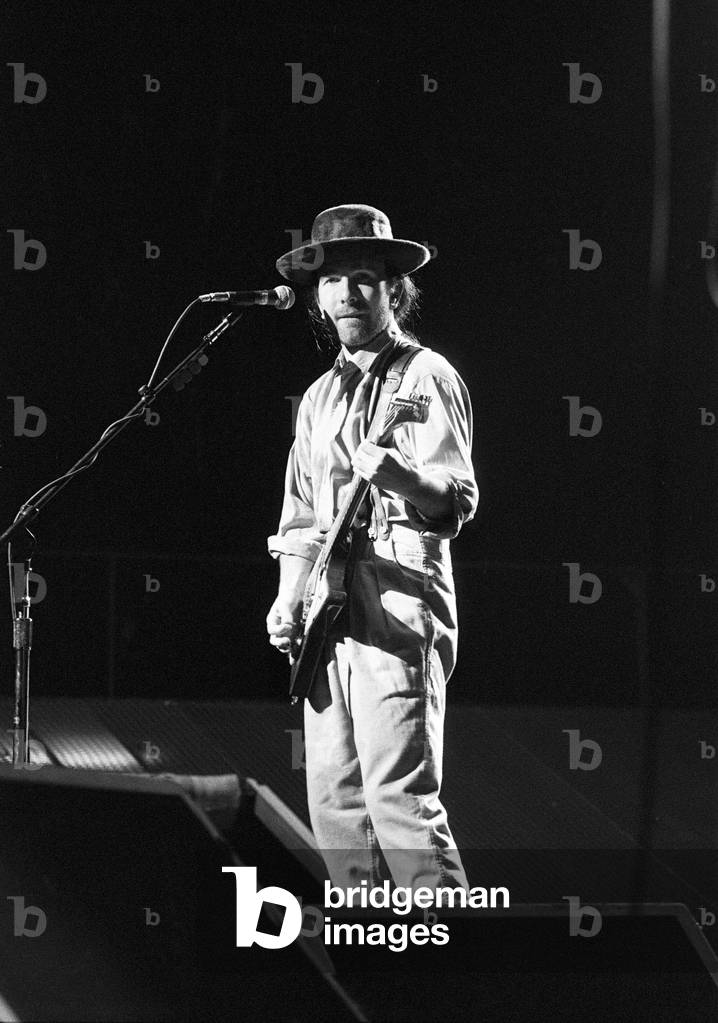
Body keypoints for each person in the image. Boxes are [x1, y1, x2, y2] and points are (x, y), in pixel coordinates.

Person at [266, 204, 478, 891]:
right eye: (333, 281)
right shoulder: (319, 397)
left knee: (400, 800)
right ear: (317, 295)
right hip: (325, 616)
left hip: (397, 601)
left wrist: (399, 474)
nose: (346, 294)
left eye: (363, 278)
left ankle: (453, 972)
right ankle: (369, 974)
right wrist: (285, 600)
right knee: (334, 807)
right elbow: (301, 518)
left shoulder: (425, 375)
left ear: (394, 288)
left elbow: (455, 495)